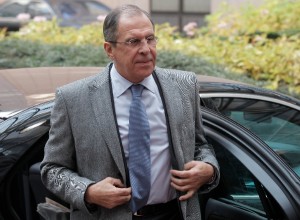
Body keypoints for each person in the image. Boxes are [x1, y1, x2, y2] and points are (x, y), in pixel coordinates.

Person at [41, 4, 220, 220]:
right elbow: (52, 169)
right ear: (109, 50)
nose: (145, 49)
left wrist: (208, 169)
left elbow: (200, 145)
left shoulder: (184, 85)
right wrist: (88, 192)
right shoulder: (73, 98)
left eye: (150, 39)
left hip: (175, 212)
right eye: (133, 41)